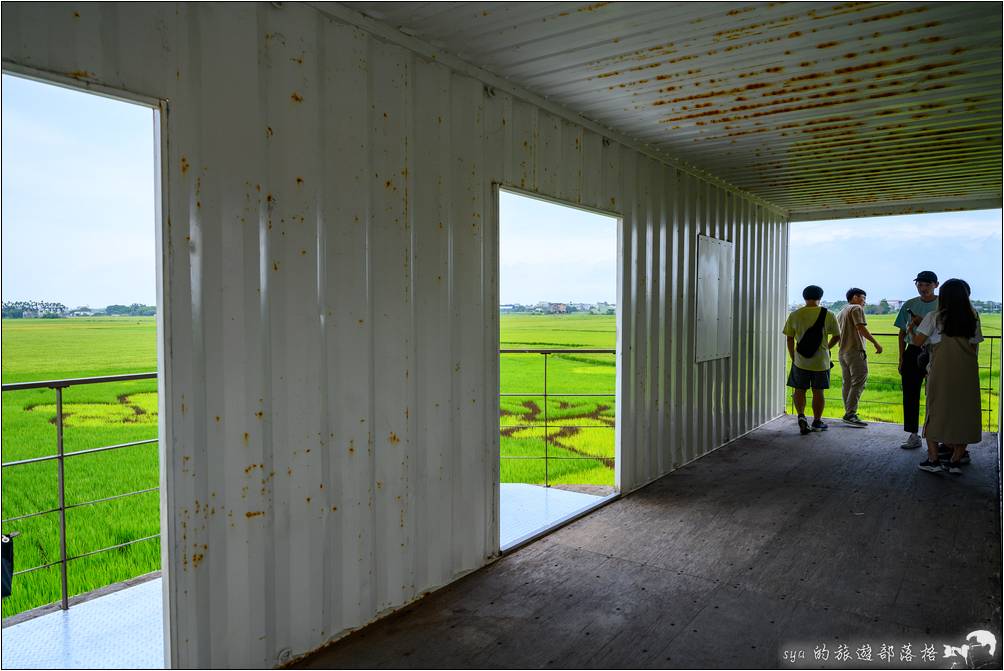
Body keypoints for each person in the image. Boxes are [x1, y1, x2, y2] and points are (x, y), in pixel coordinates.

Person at [913, 278, 983, 475]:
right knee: (964, 413)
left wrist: (914, 327)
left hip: (940, 372)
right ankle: (955, 459)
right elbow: (974, 347)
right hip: (967, 372)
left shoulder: (934, 317)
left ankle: (933, 459)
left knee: (935, 411)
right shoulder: (973, 318)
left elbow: (918, 342)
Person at [783, 285, 840, 435]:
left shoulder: (795, 314)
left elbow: (789, 339)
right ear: (820, 297)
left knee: (799, 390)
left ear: (804, 297)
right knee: (818, 392)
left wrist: (793, 356)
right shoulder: (829, 314)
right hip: (821, 362)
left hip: (800, 361)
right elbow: (837, 336)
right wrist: (826, 348)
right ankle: (817, 421)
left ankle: (801, 416)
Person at [893, 271, 939, 449]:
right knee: (910, 393)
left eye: (927, 284)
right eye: (919, 284)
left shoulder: (942, 304)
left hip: (935, 350)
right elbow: (902, 332)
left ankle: (936, 435)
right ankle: (913, 434)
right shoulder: (910, 305)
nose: (923, 288)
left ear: (936, 285)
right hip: (912, 351)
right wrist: (901, 357)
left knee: (936, 394)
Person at [836, 288, 883, 427]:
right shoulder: (856, 308)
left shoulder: (841, 311)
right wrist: (876, 343)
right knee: (859, 381)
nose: (864, 302)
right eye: (863, 298)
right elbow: (861, 328)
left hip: (842, 352)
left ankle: (848, 412)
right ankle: (850, 414)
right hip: (855, 351)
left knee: (848, 383)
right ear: (855, 297)